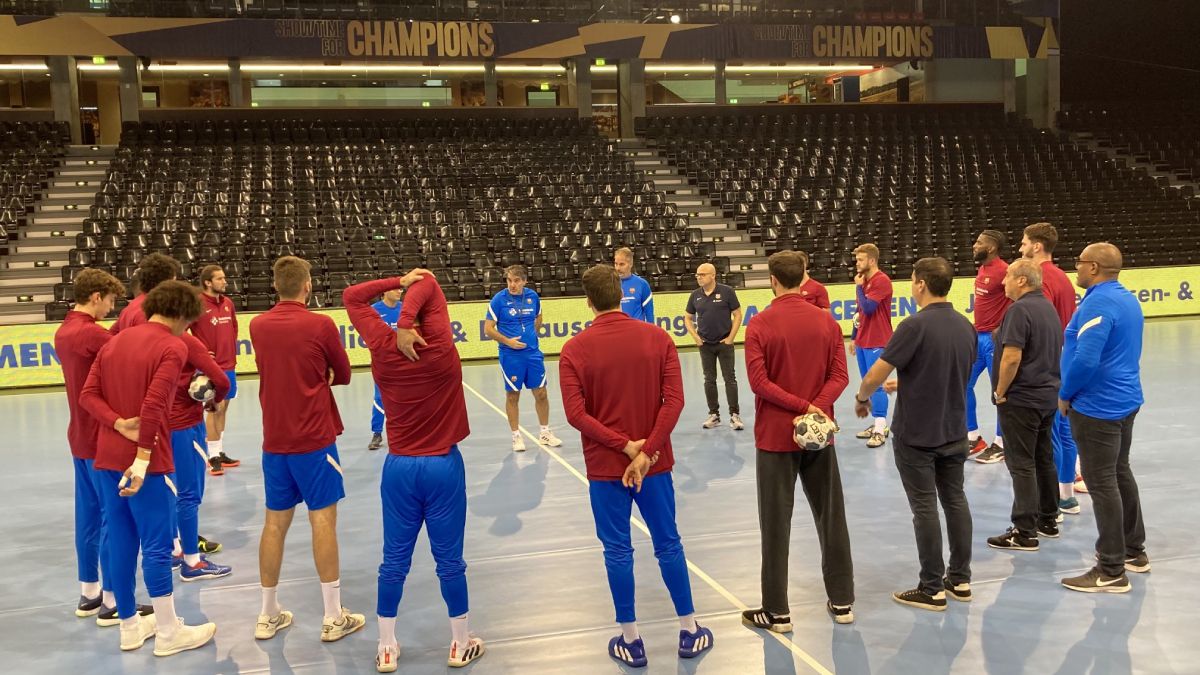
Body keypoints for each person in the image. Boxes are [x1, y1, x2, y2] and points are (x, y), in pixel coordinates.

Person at [558, 264, 713, 668]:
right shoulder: (657, 338)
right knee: (669, 543)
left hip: (606, 469)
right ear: (622, 294)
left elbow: (576, 414)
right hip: (655, 466)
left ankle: (631, 640)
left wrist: (623, 447)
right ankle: (690, 629)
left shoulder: (574, 350)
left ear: (588, 302)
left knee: (616, 550)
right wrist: (646, 452)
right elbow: (674, 401)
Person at [343, 270, 486, 671]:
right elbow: (431, 285)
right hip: (442, 465)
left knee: (393, 561)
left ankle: (386, 647)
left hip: (399, 468)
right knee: (450, 561)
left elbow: (352, 296)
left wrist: (396, 280)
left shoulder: (382, 345)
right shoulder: (440, 347)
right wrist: (409, 316)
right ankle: (460, 643)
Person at [80, 280, 217, 655]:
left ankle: (129, 626)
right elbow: (155, 406)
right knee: (157, 546)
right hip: (149, 462)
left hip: (105, 456)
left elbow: (87, 396)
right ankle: (170, 632)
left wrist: (117, 423)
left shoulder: (114, 341)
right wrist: (142, 459)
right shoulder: (172, 345)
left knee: (122, 538)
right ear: (180, 315)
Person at [248, 256, 363, 643]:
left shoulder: (258, 325)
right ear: (308, 285)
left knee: (274, 524)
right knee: (323, 521)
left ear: (276, 286)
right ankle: (333, 616)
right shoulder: (320, 324)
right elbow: (343, 373)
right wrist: (324, 373)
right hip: (314, 439)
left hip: (274, 440)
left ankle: (267, 614)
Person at [854, 257, 976, 611]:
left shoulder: (913, 326)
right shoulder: (965, 325)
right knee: (955, 501)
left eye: (912, 280)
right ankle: (960, 578)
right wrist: (908, 381)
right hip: (954, 430)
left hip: (918, 434)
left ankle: (931, 586)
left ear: (921, 283)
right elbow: (951, 371)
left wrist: (864, 397)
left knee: (924, 507)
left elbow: (874, 374)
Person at [741, 251, 855, 628]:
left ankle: (777, 611)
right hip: (820, 436)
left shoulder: (759, 325)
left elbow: (760, 384)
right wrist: (816, 408)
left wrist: (800, 406)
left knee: (775, 523)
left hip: (775, 438)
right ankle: (842, 602)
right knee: (831, 516)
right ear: (804, 277)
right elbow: (840, 376)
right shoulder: (826, 322)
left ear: (772, 280)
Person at [1058, 243, 1148, 593]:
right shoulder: (1126, 297)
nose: (1076, 268)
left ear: (1093, 267)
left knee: (1102, 482)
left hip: (1098, 406)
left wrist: (1066, 394)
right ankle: (1133, 551)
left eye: (1079, 263)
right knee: (1119, 471)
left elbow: (1086, 359)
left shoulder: (1097, 302)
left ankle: (1110, 568)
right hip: (1125, 400)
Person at [55, 268, 140, 624]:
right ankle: (111, 600)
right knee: (112, 518)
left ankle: (89, 591)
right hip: (100, 439)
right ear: (95, 297)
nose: (110, 307)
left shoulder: (64, 331)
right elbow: (125, 355)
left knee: (87, 517)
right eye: (109, 301)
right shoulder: (91, 334)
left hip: (78, 436)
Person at [986, 259, 1063, 551]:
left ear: (1021, 280)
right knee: (1043, 458)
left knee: (1021, 464)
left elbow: (1012, 357)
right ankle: (1048, 519)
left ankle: (1024, 530)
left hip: (1021, 398)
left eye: (1007, 276)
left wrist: (1000, 391)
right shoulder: (1047, 307)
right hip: (1046, 397)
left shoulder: (1019, 310)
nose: (1002, 281)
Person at [1018, 223, 1084, 513]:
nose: (1020, 248)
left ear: (1036, 246)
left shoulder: (1040, 279)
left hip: (1047, 363)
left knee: (1050, 434)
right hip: (1065, 358)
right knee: (1065, 430)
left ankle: (1050, 500)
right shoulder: (1063, 278)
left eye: (1023, 243)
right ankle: (1066, 494)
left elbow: (1037, 323)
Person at [168, 332, 233, 581]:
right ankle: (192, 561)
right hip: (185, 426)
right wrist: (213, 401)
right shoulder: (185, 341)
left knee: (169, 490)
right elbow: (221, 380)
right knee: (188, 495)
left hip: (157, 426)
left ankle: (174, 548)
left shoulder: (144, 337)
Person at [484, 264, 563, 452]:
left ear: (524, 281)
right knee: (513, 395)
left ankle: (544, 433)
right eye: (509, 280)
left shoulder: (533, 297)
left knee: (541, 393)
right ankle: (516, 436)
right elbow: (488, 329)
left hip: (533, 354)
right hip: (510, 356)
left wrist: (531, 336)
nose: (512, 285)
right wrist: (508, 342)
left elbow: (539, 318)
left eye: (516, 281)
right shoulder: (498, 300)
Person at [189, 264, 240, 478]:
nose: (224, 281)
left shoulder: (228, 303)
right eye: (219, 278)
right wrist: (198, 351)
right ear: (208, 282)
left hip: (229, 365)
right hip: (210, 367)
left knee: (223, 408)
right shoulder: (197, 304)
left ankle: (218, 450)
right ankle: (212, 457)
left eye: (224, 277)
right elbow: (182, 330)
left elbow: (234, 329)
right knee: (213, 408)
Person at [966, 230, 1011, 459]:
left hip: (995, 341)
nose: (975, 245)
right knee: (962, 384)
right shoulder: (982, 268)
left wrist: (1002, 328)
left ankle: (1002, 443)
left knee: (1000, 393)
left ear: (991, 248)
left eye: (979, 242)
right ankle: (973, 437)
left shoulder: (1004, 271)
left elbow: (1017, 300)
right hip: (978, 338)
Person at [684, 262, 744, 430]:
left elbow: (738, 314)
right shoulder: (695, 295)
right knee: (709, 380)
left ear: (713, 276)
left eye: (702, 274)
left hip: (724, 343)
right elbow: (687, 317)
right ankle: (714, 415)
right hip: (705, 345)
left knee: (729, 379)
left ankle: (734, 415)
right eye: (697, 275)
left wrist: (731, 337)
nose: (699, 277)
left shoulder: (727, 292)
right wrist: (695, 337)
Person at [849, 243, 893, 448]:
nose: (856, 263)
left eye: (860, 259)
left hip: (878, 340)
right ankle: (877, 424)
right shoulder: (865, 281)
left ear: (872, 261)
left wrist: (858, 287)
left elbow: (868, 308)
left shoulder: (881, 281)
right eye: (856, 259)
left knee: (877, 386)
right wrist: (854, 337)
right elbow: (859, 314)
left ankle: (880, 428)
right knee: (866, 383)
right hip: (863, 340)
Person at [367, 288, 402, 451]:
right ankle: (377, 433)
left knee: (406, 398)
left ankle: (404, 432)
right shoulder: (374, 310)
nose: (399, 291)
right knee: (380, 398)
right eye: (395, 289)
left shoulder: (405, 308)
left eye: (401, 289)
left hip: (404, 362)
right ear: (384, 292)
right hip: (383, 363)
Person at [111, 253, 180, 334]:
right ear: (166, 283)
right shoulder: (152, 311)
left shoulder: (130, 307)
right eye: (174, 281)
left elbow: (112, 336)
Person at [613, 247, 655, 324]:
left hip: (637, 333)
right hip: (617, 333)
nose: (618, 268)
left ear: (630, 264)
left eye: (622, 264)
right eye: (616, 264)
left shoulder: (642, 284)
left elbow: (649, 315)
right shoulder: (609, 284)